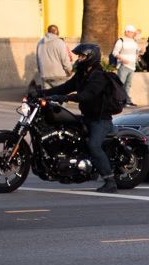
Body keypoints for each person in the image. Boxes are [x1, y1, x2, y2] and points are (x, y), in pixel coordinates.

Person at [40, 44, 118, 193]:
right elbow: (65, 87)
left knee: (94, 145)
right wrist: (43, 93)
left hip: (100, 120)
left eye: (82, 56)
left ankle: (110, 181)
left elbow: (87, 95)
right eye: (79, 56)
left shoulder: (98, 75)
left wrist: (66, 98)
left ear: (90, 57)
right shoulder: (82, 74)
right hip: (87, 117)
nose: (79, 59)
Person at [36, 25, 73, 89]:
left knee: (47, 96)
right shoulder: (60, 42)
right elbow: (64, 59)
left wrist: (41, 71)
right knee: (60, 96)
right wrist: (69, 70)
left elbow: (38, 59)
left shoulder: (40, 43)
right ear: (56, 31)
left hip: (45, 75)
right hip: (59, 75)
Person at [111, 25, 140, 107]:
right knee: (120, 84)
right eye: (131, 32)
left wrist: (140, 52)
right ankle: (117, 101)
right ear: (127, 32)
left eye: (133, 32)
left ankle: (126, 101)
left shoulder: (134, 42)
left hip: (132, 66)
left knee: (128, 84)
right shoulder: (121, 41)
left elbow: (137, 51)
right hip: (123, 66)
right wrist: (122, 59)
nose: (133, 34)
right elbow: (115, 52)